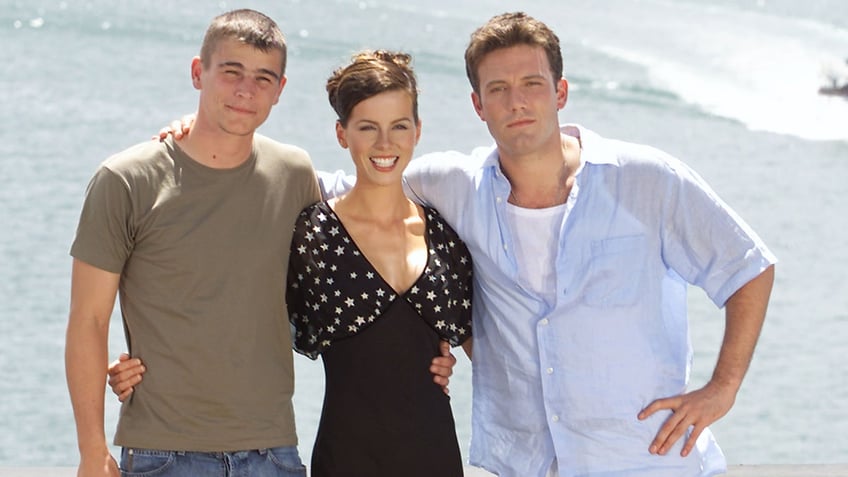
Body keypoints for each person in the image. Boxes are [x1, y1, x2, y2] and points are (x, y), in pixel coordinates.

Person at [113, 10, 777, 477]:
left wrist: (722, 386)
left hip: (645, 458)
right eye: (498, 89)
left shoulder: (645, 179)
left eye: (532, 85)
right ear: (477, 105)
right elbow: (334, 190)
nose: (517, 103)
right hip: (524, 463)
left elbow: (748, 266)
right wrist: (208, 134)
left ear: (561, 91)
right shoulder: (452, 186)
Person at [66, 10, 456, 477]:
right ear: (198, 72)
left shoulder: (294, 175)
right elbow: (88, 321)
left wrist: (426, 353)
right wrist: (92, 452)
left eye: (262, 78)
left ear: (279, 90)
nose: (245, 91)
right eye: (231, 72)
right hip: (162, 454)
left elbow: (367, 228)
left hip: (273, 454)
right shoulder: (125, 180)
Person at [287, 50, 473, 476]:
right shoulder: (311, 235)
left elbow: (497, 351)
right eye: (367, 128)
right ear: (341, 134)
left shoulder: (445, 236)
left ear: (418, 131)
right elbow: (238, 318)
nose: (385, 144)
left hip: (436, 458)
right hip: (346, 458)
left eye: (399, 127)